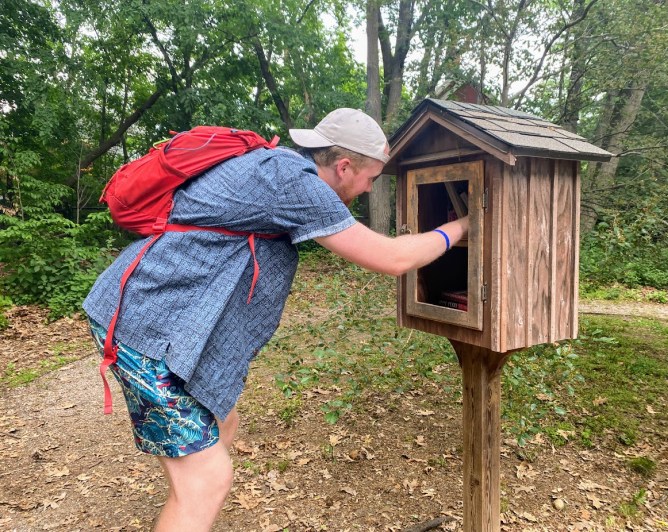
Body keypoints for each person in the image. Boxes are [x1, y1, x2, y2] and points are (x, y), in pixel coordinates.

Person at [83, 108, 468, 531]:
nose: (368, 187)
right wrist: (461, 228)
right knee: (207, 480)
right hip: (147, 328)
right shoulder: (295, 183)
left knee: (221, 421)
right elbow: (392, 258)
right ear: (344, 166)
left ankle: (188, 507)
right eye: (371, 178)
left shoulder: (280, 168)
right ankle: (189, 504)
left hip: (150, 316)